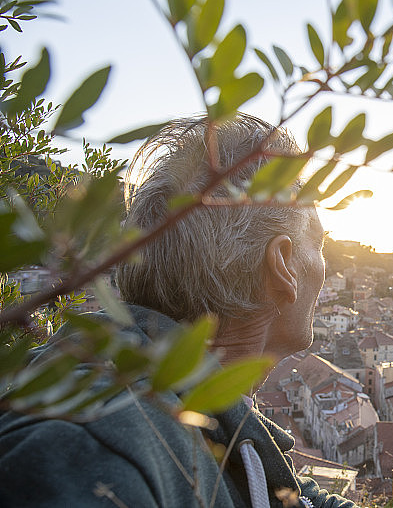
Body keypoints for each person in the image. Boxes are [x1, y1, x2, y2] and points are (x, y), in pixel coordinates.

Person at [0, 115, 354, 508]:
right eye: (319, 244)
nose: (324, 267)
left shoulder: (205, 418)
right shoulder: (94, 445)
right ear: (283, 265)